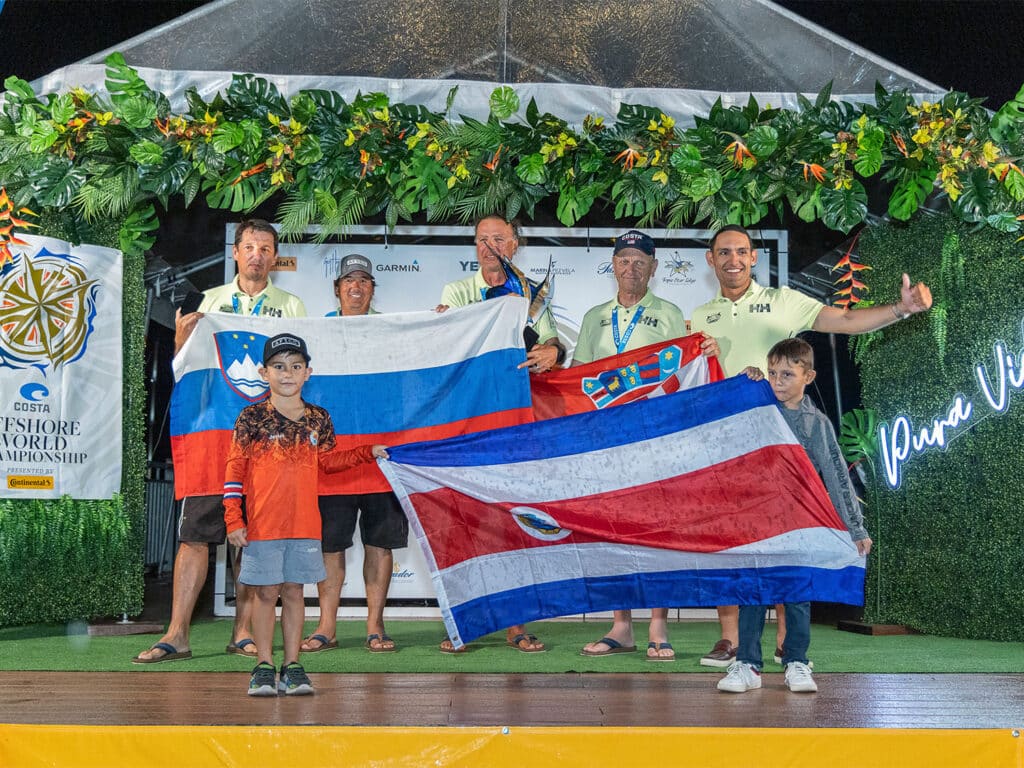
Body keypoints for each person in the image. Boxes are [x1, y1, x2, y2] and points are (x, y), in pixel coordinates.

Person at [690, 223, 931, 668]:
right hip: (730, 447)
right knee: (736, 541)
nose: (733, 260)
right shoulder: (699, 317)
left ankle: (787, 641)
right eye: (723, 252)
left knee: (787, 539)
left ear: (753, 257)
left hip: (786, 447)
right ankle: (730, 641)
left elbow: (843, 320)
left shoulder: (784, 302)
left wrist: (900, 309)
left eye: (741, 251)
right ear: (711, 260)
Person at [133, 218, 307, 664]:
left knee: (252, 538)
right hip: (211, 438)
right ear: (235, 251)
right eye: (250, 246)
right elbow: (183, 369)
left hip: (267, 442)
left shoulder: (292, 307)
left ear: (274, 256)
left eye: (266, 248)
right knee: (194, 535)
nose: (257, 255)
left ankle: (242, 632)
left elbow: (303, 376)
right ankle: (177, 634)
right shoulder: (205, 302)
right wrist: (178, 340)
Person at [575, 229, 718, 662]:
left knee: (656, 530)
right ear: (612, 266)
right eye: (624, 260)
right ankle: (622, 626)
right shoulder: (593, 316)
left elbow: (683, 368)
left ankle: (658, 625)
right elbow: (579, 376)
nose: (631, 267)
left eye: (640, 261)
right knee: (614, 528)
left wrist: (704, 352)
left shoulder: (670, 312)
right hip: (609, 440)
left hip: (655, 438)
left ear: (653, 269)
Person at [225, 332, 388, 695]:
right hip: (264, 524)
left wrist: (366, 452)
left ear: (308, 372)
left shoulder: (318, 418)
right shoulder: (250, 418)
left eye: (295, 366)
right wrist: (234, 519)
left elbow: (329, 462)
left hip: (304, 525)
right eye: (279, 367)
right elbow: (234, 469)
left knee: (296, 592)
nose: (287, 374)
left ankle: (293, 664)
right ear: (263, 372)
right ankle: (264, 666)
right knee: (267, 593)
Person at [433, 214, 567, 653]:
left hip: (512, 421)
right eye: (481, 239)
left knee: (513, 519)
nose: (489, 246)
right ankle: (462, 625)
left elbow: (554, 342)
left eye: (498, 239)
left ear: (515, 244)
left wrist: (554, 349)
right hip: (466, 420)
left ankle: (517, 623)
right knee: (460, 521)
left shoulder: (535, 292)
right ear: (473, 246)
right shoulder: (456, 292)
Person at [717, 338, 872, 693]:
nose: (777, 381)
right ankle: (747, 666)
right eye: (772, 373)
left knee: (797, 593)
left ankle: (797, 662)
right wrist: (746, 383)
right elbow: (723, 423)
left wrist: (855, 527)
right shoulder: (758, 405)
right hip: (757, 520)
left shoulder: (815, 423)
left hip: (800, 521)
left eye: (787, 374)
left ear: (808, 376)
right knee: (753, 592)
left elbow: (835, 473)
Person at [299, 254, 409, 655]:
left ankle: (375, 625)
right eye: (349, 281)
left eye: (364, 280)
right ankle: (326, 626)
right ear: (337, 289)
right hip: (332, 459)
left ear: (373, 288)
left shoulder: (392, 331)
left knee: (380, 545)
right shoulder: (316, 334)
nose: (357, 287)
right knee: (331, 546)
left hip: (381, 457)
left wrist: (439, 324)